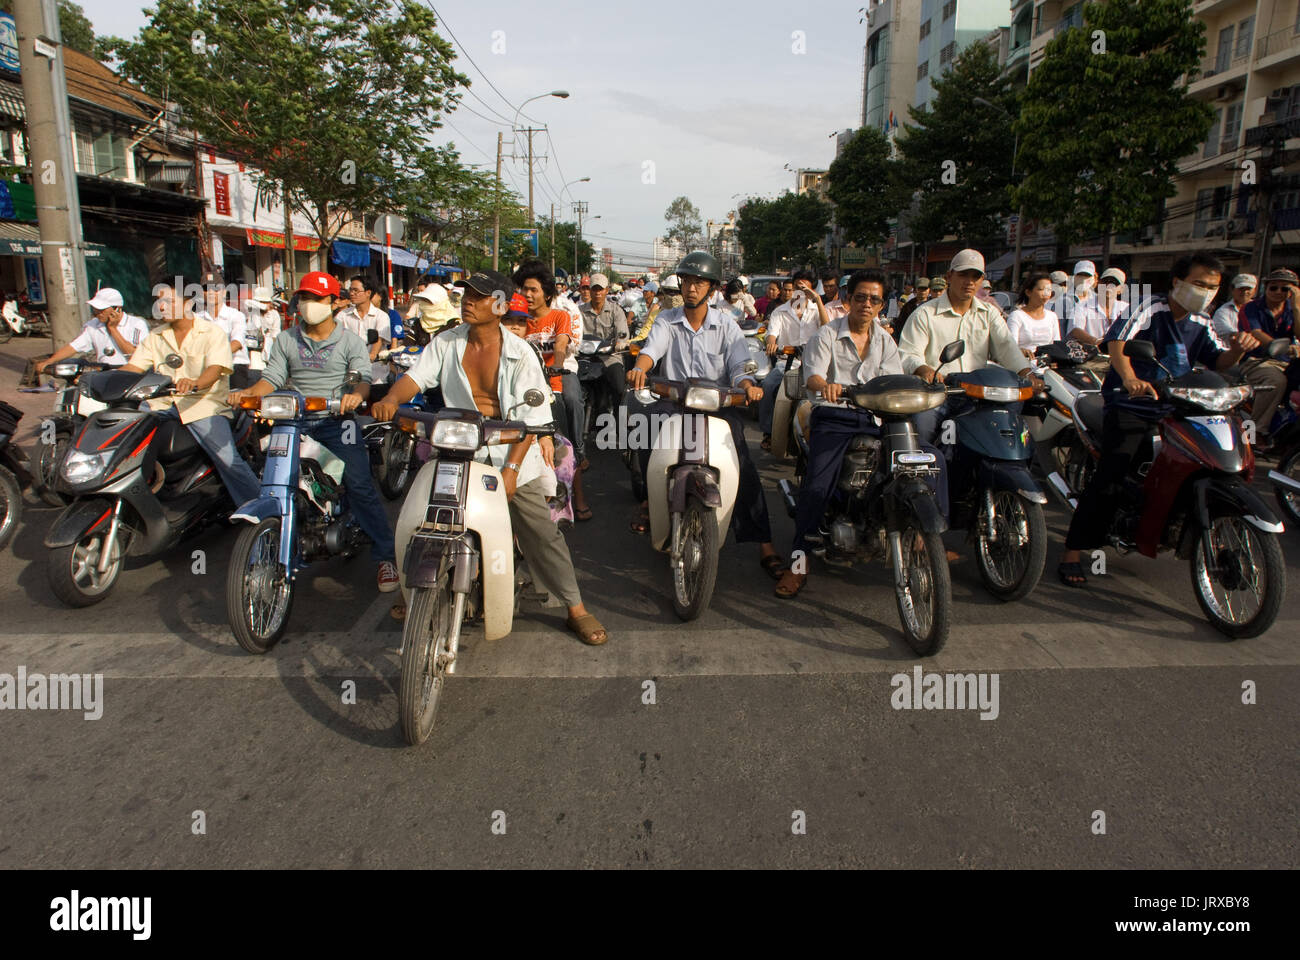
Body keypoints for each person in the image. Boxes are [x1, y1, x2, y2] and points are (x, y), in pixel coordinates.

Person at [372, 269, 609, 646]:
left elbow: (530, 423)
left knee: (540, 534)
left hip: (511, 453)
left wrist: (512, 471)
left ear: (499, 305)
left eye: (479, 296)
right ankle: (411, 588)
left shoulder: (521, 354)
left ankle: (575, 607)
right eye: (466, 294)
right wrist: (390, 399)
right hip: (455, 449)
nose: (468, 300)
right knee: (420, 516)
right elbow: (415, 379)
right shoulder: (446, 342)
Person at [1057, 251, 1261, 586]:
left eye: (1212, 287)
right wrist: (1130, 379)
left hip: (1178, 405)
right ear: (1177, 282)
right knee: (1112, 473)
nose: (1206, 291)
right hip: (1132, 404)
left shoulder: (1202, 321)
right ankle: (1074, 552)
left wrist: (1238, 348)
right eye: (1199, 283)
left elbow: (1218, 362)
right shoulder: (1150, 307)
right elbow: (1118, 345)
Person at [227, 271, 398, 593]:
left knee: (359, 484)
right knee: (274, 479)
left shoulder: (349, 341)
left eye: (318, 299)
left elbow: (361, 378)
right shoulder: (287, 339)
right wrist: (250, 393)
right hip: (292, 421)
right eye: (305, 298)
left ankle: (386, 556)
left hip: (337, 422)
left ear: (334, 303)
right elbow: (273, 377)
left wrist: (355, 396)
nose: (310, 305)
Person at [625, 251, 782, 578]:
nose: (692, 288)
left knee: (743, 462)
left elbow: (740, 365)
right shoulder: (668, 320)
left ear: (712, 289)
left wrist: (748, 385)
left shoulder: (727, 324)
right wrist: (641, 368)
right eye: (687, 281)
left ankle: (764, 542)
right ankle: (648, 501)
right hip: (675, 401)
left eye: (700, 282)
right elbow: (651, 351)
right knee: (646, 432)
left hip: (718, 405)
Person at [774, 269, 907, 599]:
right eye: (860, 297)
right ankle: (798, 563)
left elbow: (894, 380)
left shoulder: (885, 340)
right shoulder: (827, 335)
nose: (866, 304)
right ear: (848, 300)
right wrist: (828, 386)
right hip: (835, 417)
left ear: (881, 305)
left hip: (877, 418)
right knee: (817, 488)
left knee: (913, 469)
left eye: (874, 299)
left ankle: (920, 540)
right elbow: (813, 377)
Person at [121, 278, 261, 509]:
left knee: (228, 459)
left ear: (187, 303)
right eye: (159, 301)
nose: (161, 306)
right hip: (162, 405)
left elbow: (214, 370)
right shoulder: (155, 336)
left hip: (203, 404)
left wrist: (195, 383)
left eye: (168, 301)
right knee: (126, 437)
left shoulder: (212, 333)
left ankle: (260, 508)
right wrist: (104, 379)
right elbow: (133, 368)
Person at [898, 249, 1039, 444]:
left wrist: (1026, 373)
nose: (969, 282)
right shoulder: (925, 314)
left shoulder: (989, 313)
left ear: (982, 281)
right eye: (963, 275)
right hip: (939, 394)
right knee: (921, 431)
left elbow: (1007, 347)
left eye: (975, 276)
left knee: (1011, 427)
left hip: (980, 395)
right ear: (949, 276)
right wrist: (924, 369)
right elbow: (908, 353)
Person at [511, 260, 592, 519]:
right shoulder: (518, 320)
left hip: (557, 376)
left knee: (569, 408)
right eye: (524, 289)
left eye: (533, 289)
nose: (528, 294)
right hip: (525, 384)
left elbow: (560, 345)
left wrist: (555, 367)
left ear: (547, 293)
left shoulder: (560, 316)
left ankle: (578, 486)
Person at [759, 269, 829, 450]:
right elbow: (772, 334)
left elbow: (828, 329)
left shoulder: (817, 310)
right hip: (786, 363)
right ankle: (768, 432)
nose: (800, 292)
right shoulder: (779, 312)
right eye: (797, 287)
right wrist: (772, 344)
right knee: (767, 386)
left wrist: (818, 300)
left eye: (805, 289)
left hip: (815, 365)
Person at [1237, 267, 1300, 443]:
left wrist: (1296, 307)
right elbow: (1255, 332)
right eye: (1274, 287)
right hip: (1257, 362)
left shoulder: (1293, 309)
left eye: (1285, 289)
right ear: (1266, 288)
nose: (1278, 292)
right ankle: (1255, 432)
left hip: (1288, 363)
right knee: (1275, 382)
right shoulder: (1251, 308)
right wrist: (1283, 347)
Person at [36, 287, 149, 373]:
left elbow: (134, 354)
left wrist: (113, 329)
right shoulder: (93, 326)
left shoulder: (137, 325)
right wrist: (49, 361)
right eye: (95, 309)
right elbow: (73, 347)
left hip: (131, 375)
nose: (97, 313)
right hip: (104, 374)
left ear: (117, 309)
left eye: (101, 310)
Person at [578, 272, 630, 423]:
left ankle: (621, 425)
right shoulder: (579, 311)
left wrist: (620, 343)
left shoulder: (616, 310)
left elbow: (622, 334)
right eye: (594, 289)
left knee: (620, 390)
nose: (597, 293)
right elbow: (573, 333)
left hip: (610, 357)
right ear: (589, 290)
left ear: (607, 290)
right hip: (586, 358)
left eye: (601, 289)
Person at [196, 272, 252, 389]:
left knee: (236, 402)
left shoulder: (236, 315)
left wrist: (215, 356)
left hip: (234, 366)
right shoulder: (197, 318)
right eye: (207, 289)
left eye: (216, 288)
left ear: (224, 292)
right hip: (206, 367)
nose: (211, 292)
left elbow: (236, 343)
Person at [338, 276, 393, 382]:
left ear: (368, 293)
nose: (352, 293)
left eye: (356, 290)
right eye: (351, 290)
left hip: (376, 375)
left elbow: (379, 340)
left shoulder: (381, 316)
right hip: (350, 375)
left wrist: (372, 355)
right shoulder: (343, 315)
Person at [1005, 272, 1060, 356]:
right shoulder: (1017, 316)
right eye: (1041, 289)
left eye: (1049, 290)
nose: (1046, 294)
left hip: (1046, 364)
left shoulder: (1052, 316)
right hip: (1023, 363)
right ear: (1028, 292)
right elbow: (1011, 347)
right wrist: (1021, 351)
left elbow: (1056, 346)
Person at [1211, 273, 1256, 342]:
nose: (1245, 292)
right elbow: (1224, 331)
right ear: (1232, 289)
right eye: (1241, 289)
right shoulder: (1223, 311)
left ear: (1254, 290)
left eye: (1248, 289)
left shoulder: (1260, 309)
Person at [892, 276, 934, 342]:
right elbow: (900, 324)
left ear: (929, 290)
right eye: (920, 289)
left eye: (925, 289)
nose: (922, 292)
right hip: (910, 339)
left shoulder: (933, 305)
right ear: (915, 289)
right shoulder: (908, 305)